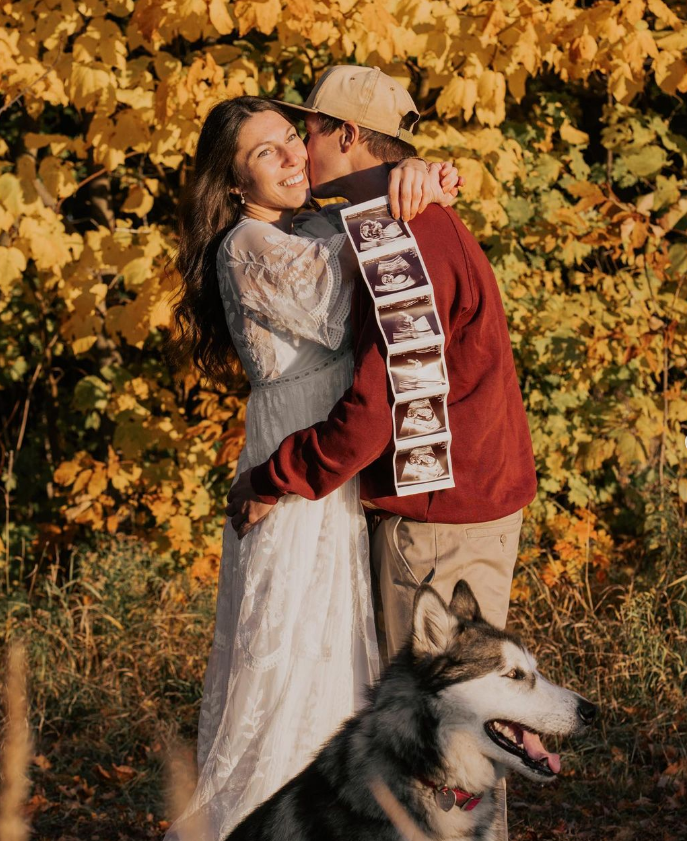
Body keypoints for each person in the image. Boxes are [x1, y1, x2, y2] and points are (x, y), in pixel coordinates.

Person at [225, 64, 538, 841]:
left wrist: (278, 473)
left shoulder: (398, 231)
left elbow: (378, 404)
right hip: (473, 497)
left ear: (348, 135)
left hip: (436, 515)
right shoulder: (406, 213)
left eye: (310, 131)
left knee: (444, 744)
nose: (302, 148)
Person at [164, 93, 459, 841]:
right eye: (267, 151)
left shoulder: (311, 223)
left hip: (331, 465)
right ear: (233, 185)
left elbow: (366, 235)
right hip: (296, 467)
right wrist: (403, 195)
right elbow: (343, 295)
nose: (295, 155)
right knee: (291, 649)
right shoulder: (248, 246)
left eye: (294, 137)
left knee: (336, 648)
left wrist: (408, 174)